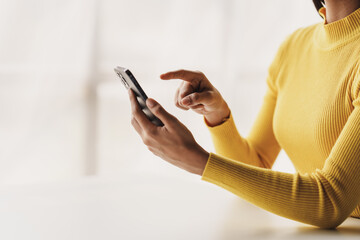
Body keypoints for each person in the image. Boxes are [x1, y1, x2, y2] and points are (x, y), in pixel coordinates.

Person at [128, 0, 360, 228]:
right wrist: (218, 116)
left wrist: (198, 161)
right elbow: (256, 165)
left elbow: (331, 200)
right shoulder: (294, 47)